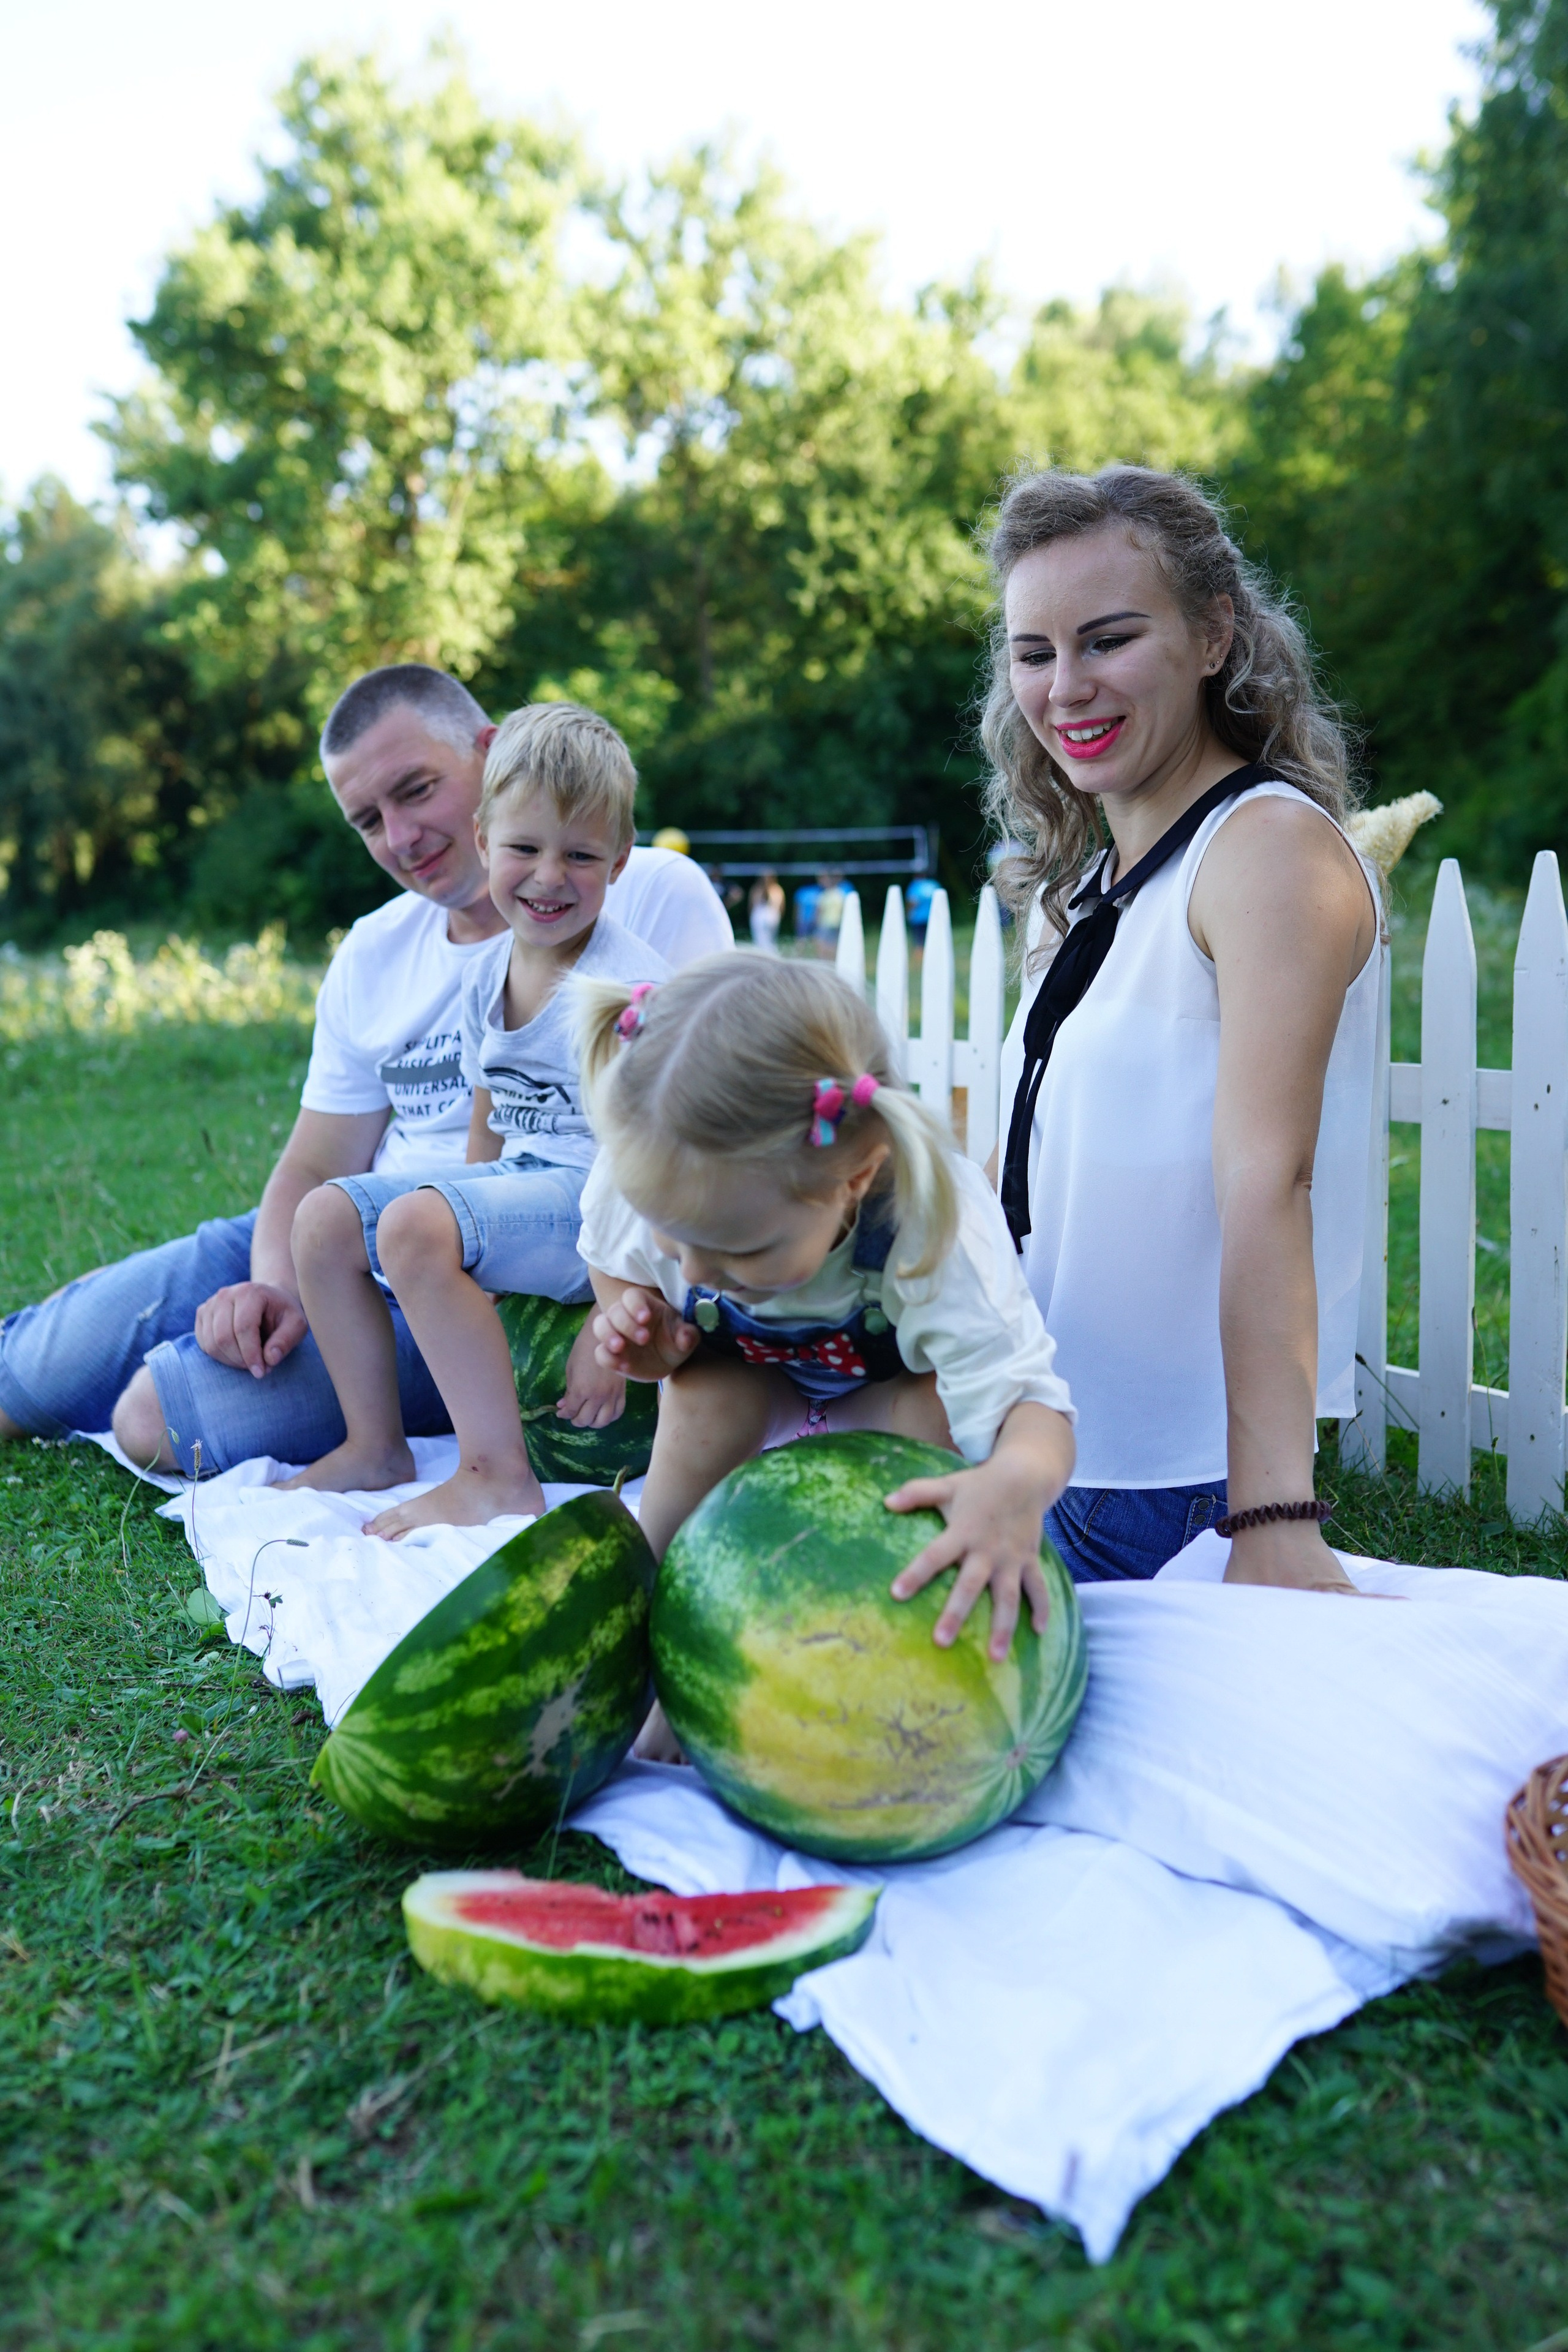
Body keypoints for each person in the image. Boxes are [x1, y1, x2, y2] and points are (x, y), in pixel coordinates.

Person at [0, 664, 732, 1474]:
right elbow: (316, 1162)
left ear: (492, 755)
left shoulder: (653, 897)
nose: (401, 837)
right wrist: (277, 1287)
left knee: (159, 1416)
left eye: (416, 791)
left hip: (490, 1273)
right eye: (368, 821)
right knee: (45, 1363)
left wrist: (622, 1303)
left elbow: (696, 1137)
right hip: (360, 1222)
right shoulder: (377, 950)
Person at [984, 466, 1380, 1593]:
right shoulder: (1095, 886)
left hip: (1165, 1494)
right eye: (1034, 652)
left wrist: (1273, 1521)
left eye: (1107, 640)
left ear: (1213, 636)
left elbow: (1272, 1181)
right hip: (1046, 1453)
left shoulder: (1265, 852)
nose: (1066, 687)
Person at [576, 954, 1077, 1694]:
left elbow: (1036, 1411)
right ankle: (651, 1606)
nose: (697, 1272)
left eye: (740, 1250)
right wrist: (639, 1325)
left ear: (852, 1182)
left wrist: (1012, 1482)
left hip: (887, 1391)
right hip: (747, 1373)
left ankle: (870, 1615)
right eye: (673, 1242)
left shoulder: (934, 1235)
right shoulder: (657, 1165)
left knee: (935, 1419)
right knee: (700, 1397)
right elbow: (613, 1263)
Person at [280, 703, 663, 1532]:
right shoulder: (483, 973)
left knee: (416, 1227)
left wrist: (614, 1314)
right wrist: (459, 1211)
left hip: (600, 1206)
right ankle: (375, 1444)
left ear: (621, 861)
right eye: (525, 848)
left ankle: (495, 1476)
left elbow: (654, 1159)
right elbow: (488, 1109)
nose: (549, 878)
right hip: (527, 1186)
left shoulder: (624, 991)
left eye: (582, 856)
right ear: (486, 842)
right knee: (326, 1219)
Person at [747, 872, 784, 952]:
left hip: (766, 915)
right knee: (770, 940)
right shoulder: (778, 889)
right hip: (772, 915)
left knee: (761, 939)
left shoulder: (758, 889)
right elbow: (781, 907)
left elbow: (751, 905)